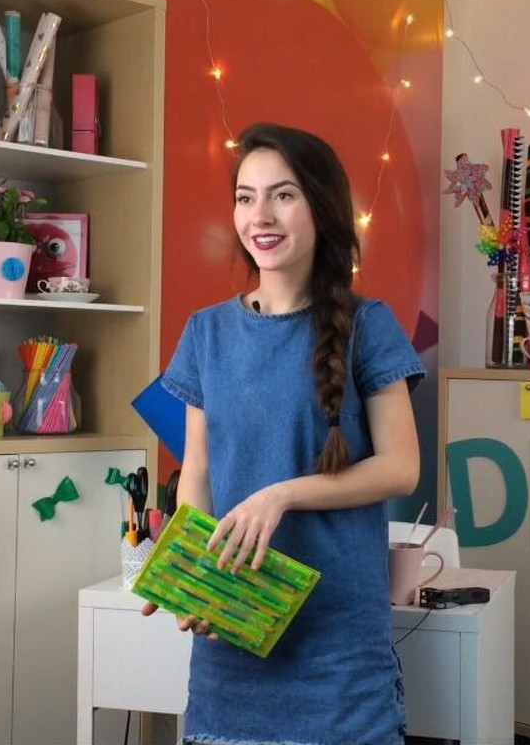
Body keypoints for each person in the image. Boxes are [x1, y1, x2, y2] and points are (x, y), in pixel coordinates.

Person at [146, 122, 426, 745]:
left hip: (339, 660)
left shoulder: (369, 325)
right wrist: (193, 579)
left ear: (321, 207)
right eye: (245, 197)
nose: (260, 216)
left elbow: (401, 468)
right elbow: (198, 473)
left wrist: (282, 494)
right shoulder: (206, 332)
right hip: (232, 651)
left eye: (283, 195)